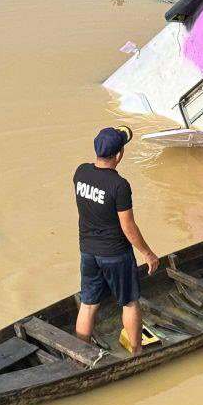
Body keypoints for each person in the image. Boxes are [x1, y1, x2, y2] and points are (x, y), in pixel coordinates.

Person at [73, 126, 161, 353]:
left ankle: (79, 355)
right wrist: (148, 253)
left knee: (88, 303)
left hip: (88, 251)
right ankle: (137, 353)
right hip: (115, 253)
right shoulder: (119, 185)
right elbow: (128, 226)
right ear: (120, 154)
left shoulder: (80, 173)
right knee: (129, 302)